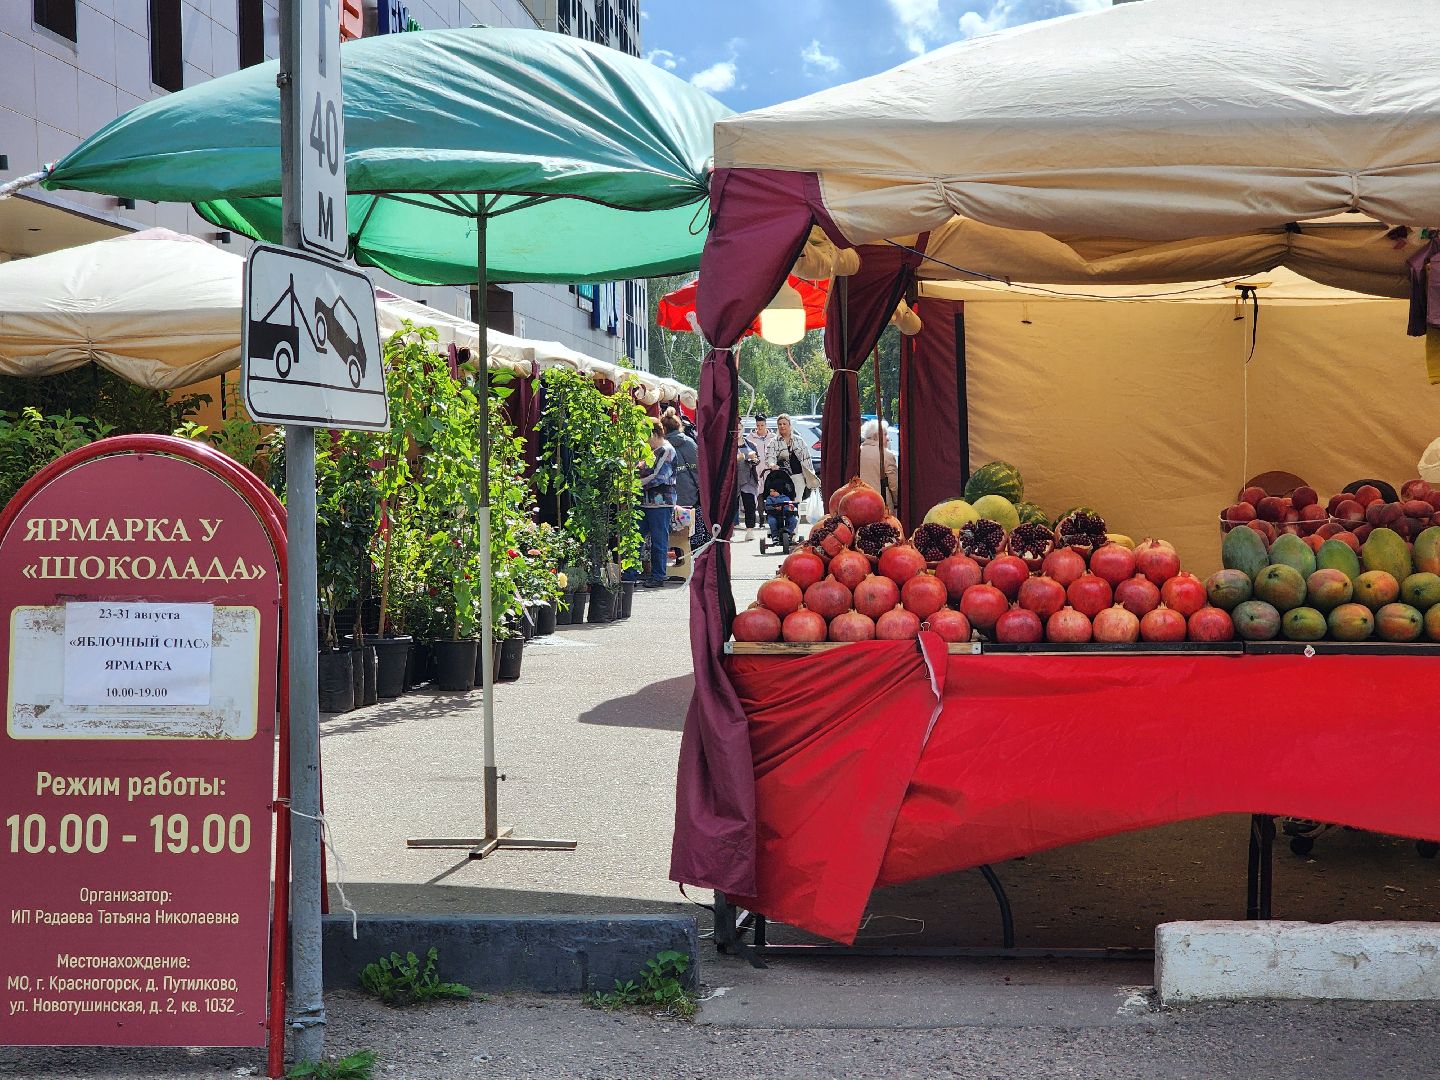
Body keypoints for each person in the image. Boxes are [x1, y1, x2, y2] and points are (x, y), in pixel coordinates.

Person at [637, 419, 677, 588]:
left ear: (654, 434)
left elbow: (660, 476)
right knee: (636, 539)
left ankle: (658, 576)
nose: (645, 441)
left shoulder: (667, 450)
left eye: (646, 437)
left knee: (659, 541)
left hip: (661, 504)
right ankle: (630, 573)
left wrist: (636, 484)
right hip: (645, 502)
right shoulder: (650, 451)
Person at [661, 409, 704, 552]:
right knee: (693, 534)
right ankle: (694, 561)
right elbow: (700, 468)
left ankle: (678, 562)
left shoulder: (662, 447)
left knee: (675, 537)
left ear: (664, 428)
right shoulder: (691, 443)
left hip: (671, 498)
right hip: (692, 496)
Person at [769, 413, 820, 509]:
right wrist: (772, 464)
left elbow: (807, 458)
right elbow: (770, 456)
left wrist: (810, 475)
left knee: (796, 502)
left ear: (789, 425)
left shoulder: (799, 441)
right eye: (780, 424)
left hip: (797, 476)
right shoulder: (773, 442)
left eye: (784, 423)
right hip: (781, 478)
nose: (782, 426)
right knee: (782, 502)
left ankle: (795, 522)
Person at [736, 415, 775, 541]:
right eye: (735, 429)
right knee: (731, 506)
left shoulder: (750, 444)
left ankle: (750, 529)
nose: (738, 432)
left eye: (740, 429)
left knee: (750, 504)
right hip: (733, 480)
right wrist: (737, 459)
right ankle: (730, 528)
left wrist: (754, 460)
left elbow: (756, 459)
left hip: (749, 478)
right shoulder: (728, 446)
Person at [860, 418, 900, 514]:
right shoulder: (887, 455)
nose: (888, 438)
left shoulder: (858, 452)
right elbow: (894, 484)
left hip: (860, 502)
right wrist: (897, 502)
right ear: (876, 436)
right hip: (881, 503)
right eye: (885, 434)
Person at [761, 465, 799, 552]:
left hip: (786, 514)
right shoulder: (769, 499)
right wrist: (773, 508)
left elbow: (790, 505)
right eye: (770, 491)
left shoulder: (785, 497)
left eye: (773, 491)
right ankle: (775, 536)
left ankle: (789, 531)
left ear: (779, 491)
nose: (771, 493)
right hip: (774, 514)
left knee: (793, 520)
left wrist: (791, 507)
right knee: (772, 521)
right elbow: (767, 506)